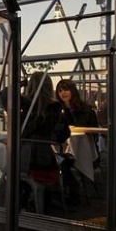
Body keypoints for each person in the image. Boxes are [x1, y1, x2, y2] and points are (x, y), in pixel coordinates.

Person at [20, 72, 71, 210]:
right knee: (65, 158)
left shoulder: (25, 106)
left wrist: (20, 84)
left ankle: (24, 199)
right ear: (49, 86)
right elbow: (63, 135)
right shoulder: (56, 108)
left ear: (30, 86)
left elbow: (5, 94)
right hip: (47, 161)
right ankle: (50, 199)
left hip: (25, 162)